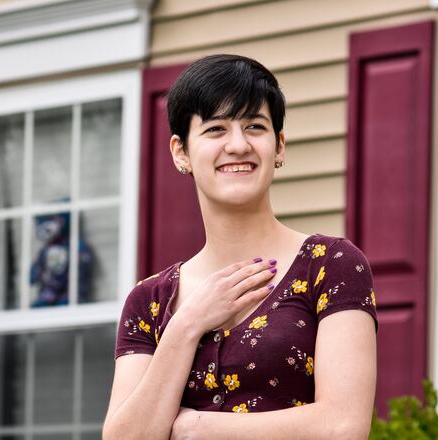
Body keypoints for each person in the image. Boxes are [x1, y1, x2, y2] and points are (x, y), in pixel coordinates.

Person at [102, 54, 378, 440]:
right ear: (181, 152)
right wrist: (186, 326)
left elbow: (343, 427)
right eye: (215, 128)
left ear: (278, 146)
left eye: (255, 126)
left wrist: (199, 428)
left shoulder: (331, 265)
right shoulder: (149, 300)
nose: (238, 144)